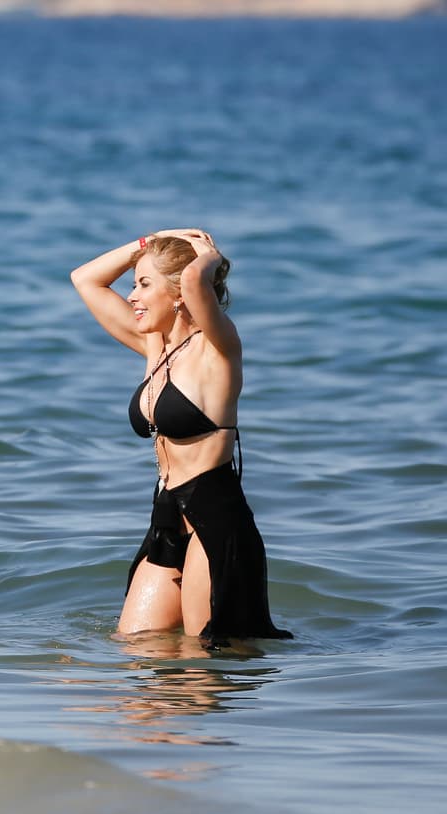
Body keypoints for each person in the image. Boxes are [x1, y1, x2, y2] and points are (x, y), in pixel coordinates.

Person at [71, 229, 290, 648]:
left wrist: (209, 257)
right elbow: (85, 279)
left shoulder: (218, 349)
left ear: (177, 293)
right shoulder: (154, 347)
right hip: (166, 518)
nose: (132, 295)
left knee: (204, 661)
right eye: (134, 284)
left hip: (215, 520)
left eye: (144, 284)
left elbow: (194, 281)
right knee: (135, 645)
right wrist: (148, 241)